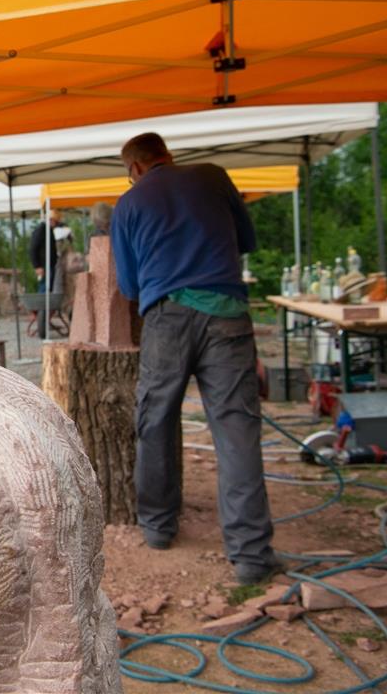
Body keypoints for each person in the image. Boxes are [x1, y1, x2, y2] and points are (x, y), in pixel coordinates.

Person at [110, 131, 279, 585]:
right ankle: (250, 556)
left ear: (136, 168)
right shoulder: (212, 176)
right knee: (235, 427)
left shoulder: (127, 206)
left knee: (156, 420)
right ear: (166, 155)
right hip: (226, 312)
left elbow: (128, 288)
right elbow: (246, 240)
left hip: (165, 319)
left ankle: (158, 528)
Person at [29, 209, 63, 292]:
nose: (56, 224)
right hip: (44, 266)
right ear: (51, 220)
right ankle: (42, 305)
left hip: (50, 265)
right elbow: (32, 249)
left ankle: (45, 304)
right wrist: (37, 266)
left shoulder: (49, 230)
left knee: (48, 288)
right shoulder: (41, 230)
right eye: (56, 221)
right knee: (44, 288)